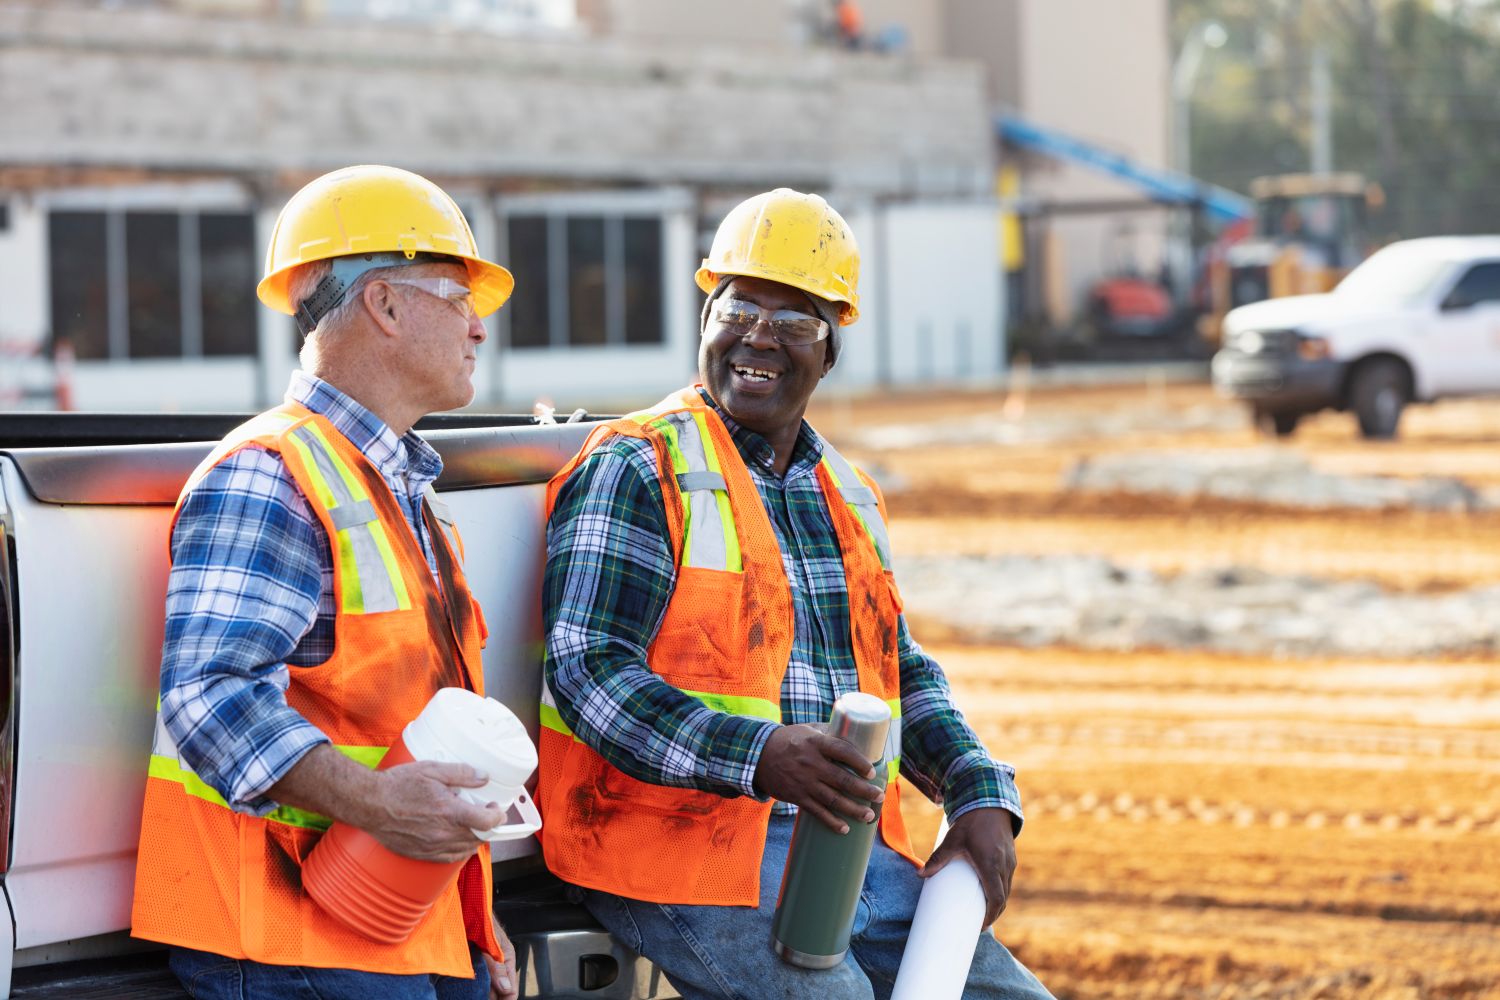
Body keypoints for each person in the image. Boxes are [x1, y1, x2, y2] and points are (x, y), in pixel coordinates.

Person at [539, 188, 1053, 999]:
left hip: (835, 852)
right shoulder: (639, 465)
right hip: (675, 849)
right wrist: (760, 756)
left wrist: (976, 788)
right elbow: (587, 671)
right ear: (707, 315)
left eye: (795, 322)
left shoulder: (846, 493)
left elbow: (898, 673)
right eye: (740, 308)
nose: (758, 338)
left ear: (830, 350)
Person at [131, 164, 521, 1000]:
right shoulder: (268, 474)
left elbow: (421, 744)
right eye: (458, 295)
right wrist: (378, 806)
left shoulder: (400, 493)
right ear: (383, 305)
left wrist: (475, 923)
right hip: (289, 939)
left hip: (399, 920)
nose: (479, 327)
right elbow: (208, 695)